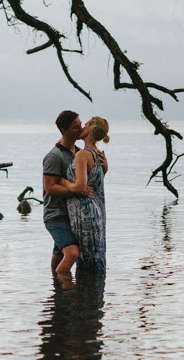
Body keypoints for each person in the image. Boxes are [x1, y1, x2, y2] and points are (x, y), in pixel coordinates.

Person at [43, 110, 86, 277]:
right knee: (72, 253)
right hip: (56, 214)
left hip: (73, 214)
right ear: (63, 130)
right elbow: (50, 188)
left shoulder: (80, 152)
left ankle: (56, 289)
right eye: (76, 127)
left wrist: (104, 167)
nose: (81, 129)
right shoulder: (54, 156)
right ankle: (68, 292)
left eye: (81, 125)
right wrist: (77, 191)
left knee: (59, 253)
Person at [66, 116, 110, 274]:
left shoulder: (82, 155)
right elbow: (97, 181)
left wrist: (63, 182)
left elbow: (79, 187)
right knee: (92, 256)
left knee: (85, 259)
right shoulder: (98, 155)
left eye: (85, 125)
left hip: (84, 213)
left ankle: (82, 294)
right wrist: (106, 169)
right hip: (95, 212)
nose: (81, 128)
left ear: (91, 128)